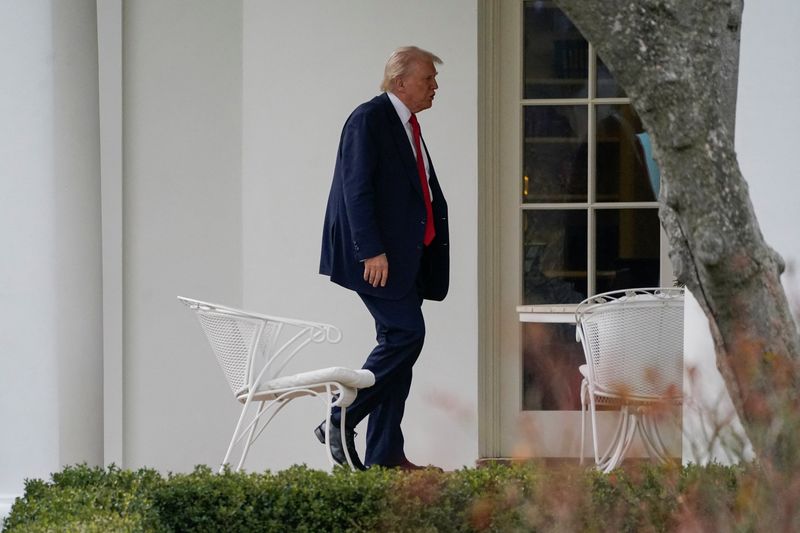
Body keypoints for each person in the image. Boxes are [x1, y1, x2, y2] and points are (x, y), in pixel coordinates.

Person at [316, 46, 450, 470]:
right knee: (406, 335)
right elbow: (356, 190)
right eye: (427, 78)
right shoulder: (369, 119)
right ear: (400, 82)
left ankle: (386, 455)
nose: (435, 87)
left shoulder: (407, 124)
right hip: (377, 258)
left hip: (407, 259)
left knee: (399, 349)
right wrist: (371, 251)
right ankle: (341, 417)